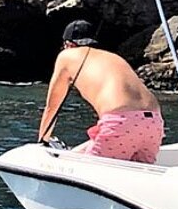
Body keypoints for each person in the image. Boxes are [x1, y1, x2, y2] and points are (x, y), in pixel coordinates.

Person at [38, 20, 164, 164]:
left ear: (69, 44)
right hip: (153, 124)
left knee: (85, 173)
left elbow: (52, 107)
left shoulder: (67, 55)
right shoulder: (114, 58)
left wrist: (42, 142)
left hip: (121, 123)